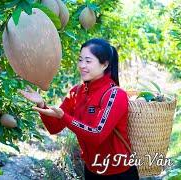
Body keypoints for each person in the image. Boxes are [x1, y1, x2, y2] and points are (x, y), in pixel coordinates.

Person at [19, 38, 139, 179]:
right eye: (80, 60)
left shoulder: (115, 95)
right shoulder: (76, 93)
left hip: (119, 173)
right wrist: (42, 105)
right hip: (91, 170)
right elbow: (54, 128)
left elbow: (97, 134)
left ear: (104, 64)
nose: (82, 65)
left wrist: (64, 116)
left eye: (88, 61)